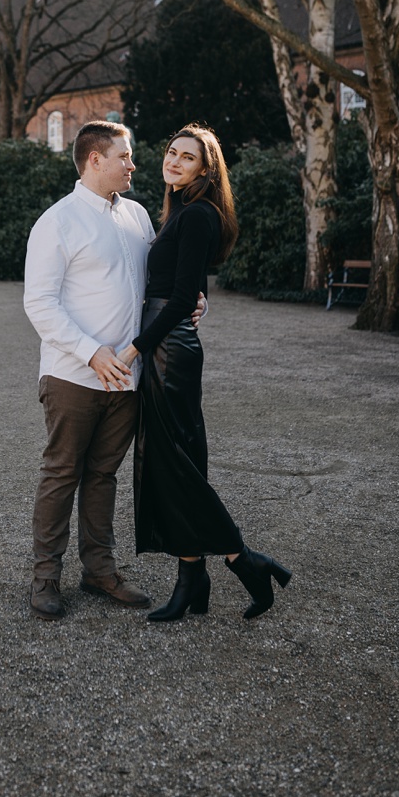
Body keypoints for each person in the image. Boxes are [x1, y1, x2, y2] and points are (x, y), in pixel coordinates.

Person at [22, 119, 203, 621]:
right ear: (95, 159)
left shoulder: (140, 216)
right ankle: (45, 580)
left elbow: (155, 284)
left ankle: (99, 571)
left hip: (128, 376)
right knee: (62, 474)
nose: (134, 164)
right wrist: (90, 351)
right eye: (125, 156)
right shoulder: (57, 222)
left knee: (103, 475)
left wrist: (192, 300)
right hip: (73, 376)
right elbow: (39, 303)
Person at [116, 123, 293, 621]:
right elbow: (194, 289)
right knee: (173, 462)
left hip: (168, 349)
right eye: (171, 152)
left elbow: (178, 300)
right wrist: (198, 305)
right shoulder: (181, 212)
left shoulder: (197, 215)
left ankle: (243, 559)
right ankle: (193, 575)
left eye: (187, 157)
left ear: (205, 169)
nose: (173, 161)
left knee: (172, 461)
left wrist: (133, 351)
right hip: (169, 342)